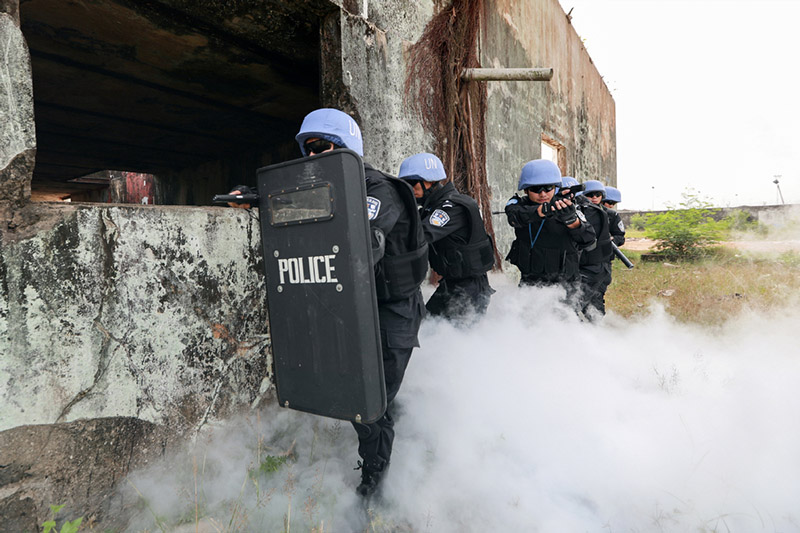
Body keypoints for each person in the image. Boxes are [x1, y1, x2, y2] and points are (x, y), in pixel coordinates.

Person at [232, 108, 428, 497]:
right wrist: (259, 200)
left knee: (371, 402)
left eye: (321, 147)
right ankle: (387, 433)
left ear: (344, 148)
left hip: (392, 311)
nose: (312, 156)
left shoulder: (379, 190)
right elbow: (306, 208)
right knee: (369, 393)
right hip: (359, 304)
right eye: (307, 149)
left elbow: (362, 240)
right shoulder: (330, 188)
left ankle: (375, 485)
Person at [397, 152, 495, 320]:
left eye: (412, 183)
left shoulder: (451, 207)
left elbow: (422, 234)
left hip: (469, 288)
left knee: (459, 340)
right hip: (451, 284)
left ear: (430, 181)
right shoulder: (432, 207)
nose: (410, 189)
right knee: (427, 327)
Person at [504, 160, 595, 300]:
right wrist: (544, 210)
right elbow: (514, 215)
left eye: (548, 188)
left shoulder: (566, 206)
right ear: (526, 189)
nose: (543, 194)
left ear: (556, 187)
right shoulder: (519, 205)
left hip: (564, 285)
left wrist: (572, 221)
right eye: (536, 189)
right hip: (530, 281)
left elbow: (589, 241)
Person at [574, 179, 613, 318]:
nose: (594, 198)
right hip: (581, 266)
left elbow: (620, 237)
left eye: (598, 194)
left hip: (595, 266)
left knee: (589, 302)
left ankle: (594, 333)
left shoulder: (602, 214)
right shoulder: (577, 211)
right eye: (591, 194)